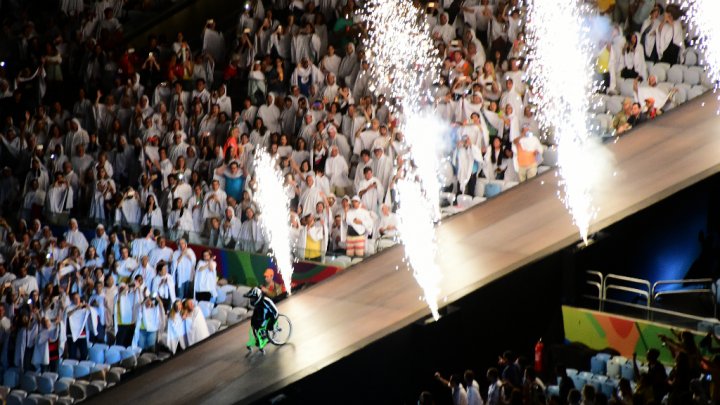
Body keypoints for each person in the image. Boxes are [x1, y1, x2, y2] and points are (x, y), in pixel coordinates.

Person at [244, 287, 278, 355]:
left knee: (261, 325)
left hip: (272, 314)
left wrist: (262, 322)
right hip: (264, 313)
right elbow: (257, 313)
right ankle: (258, 338)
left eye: (253, 298)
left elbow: (272, 312)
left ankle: (265, 337)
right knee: (254, 324)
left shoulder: (265, 302)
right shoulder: (258, 303)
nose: (251, 300)